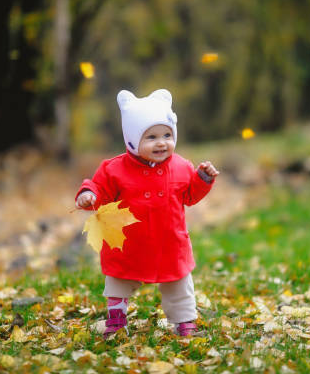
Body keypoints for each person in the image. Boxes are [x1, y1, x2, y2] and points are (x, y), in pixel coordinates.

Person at [75, 89, 219, 338]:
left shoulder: (182, 166)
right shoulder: (114, 169)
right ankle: (117, 319)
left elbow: (190, 196)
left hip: (169, 243)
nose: (161, 142)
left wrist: (202, 179)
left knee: (179, 286)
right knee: (118, 282)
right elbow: (98, 188)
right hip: (129, 244)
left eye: (167, 134)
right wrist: (89, 196)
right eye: (151, 137)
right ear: (131, 138)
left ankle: (185, 322)